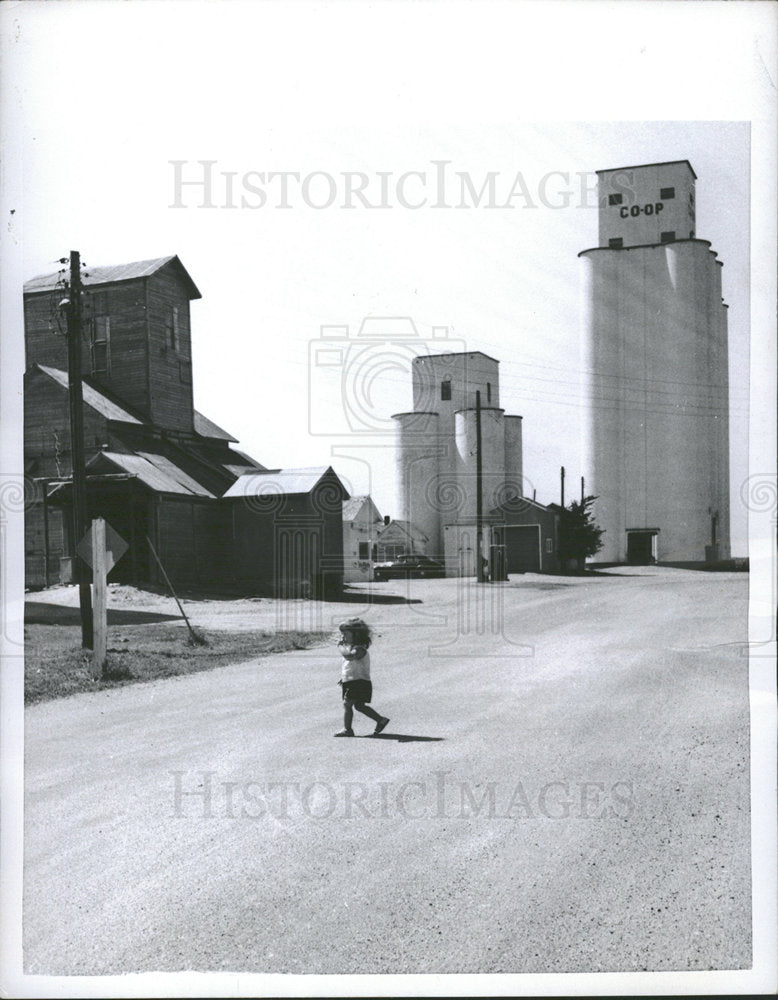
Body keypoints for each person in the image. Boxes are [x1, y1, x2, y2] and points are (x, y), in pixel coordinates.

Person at [334, 617, 389, 737]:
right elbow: (350, 666)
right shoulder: (352, 648)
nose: (343, 637)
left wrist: (340, 646)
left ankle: (347, 729)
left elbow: (349, 657)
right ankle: (380, 720)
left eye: (345, 634)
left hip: (359, 682)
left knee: (347, 704)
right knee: (359, 706)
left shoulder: (359, 649)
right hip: (352, 681)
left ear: (356, 635)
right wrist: (344, 678)